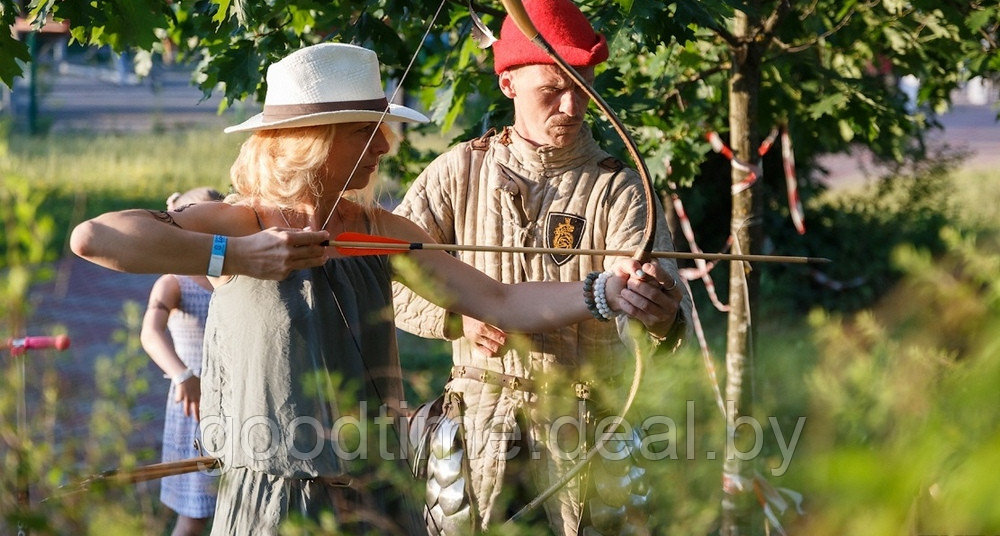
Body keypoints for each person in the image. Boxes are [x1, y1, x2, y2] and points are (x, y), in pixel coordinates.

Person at [69, 42, 664, 536]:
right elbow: (94, 237)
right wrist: (236, 256)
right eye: (364, 132)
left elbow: (501, 301)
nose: (384, 146)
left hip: (373, 491)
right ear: (312, 140)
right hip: (278, 498)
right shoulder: (243, 222)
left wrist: (604, 291)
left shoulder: (380, 232)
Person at [393, 0, 690, 535]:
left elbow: (657, 312)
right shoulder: (456, 171)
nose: (572, 108)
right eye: (552, 90)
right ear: (508, 84)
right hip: (478, 427)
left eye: (582, 90)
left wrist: (657, 311)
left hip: (584, 432)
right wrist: (456, 317)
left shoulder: (617, 186)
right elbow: (391, 276)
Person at [140, 186, 225, 536]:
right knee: (193, 516)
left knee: (239, 506)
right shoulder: (173, 281)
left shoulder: (232, 276)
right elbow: (151, 333)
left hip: (234, 402)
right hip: (195, 406)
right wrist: (182, 374)